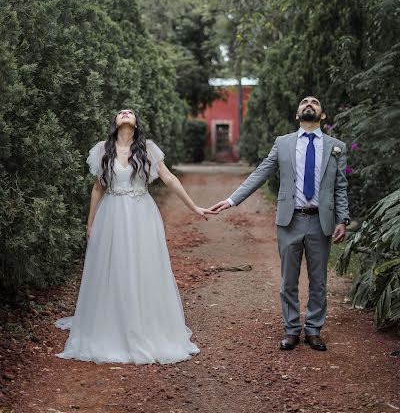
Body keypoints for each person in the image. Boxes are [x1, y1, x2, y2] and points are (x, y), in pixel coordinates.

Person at [55, 109, 214, 364]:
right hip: (112, 214)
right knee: (114, 267)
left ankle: (145, 323)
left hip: (142, 215)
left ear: (136, 122)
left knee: (144, 266)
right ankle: (114, 324)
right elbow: (98, 188)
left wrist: (194, 207)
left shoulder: (148, 149)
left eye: (130, 113)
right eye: (120, 112)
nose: (125, 114)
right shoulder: (103, 149)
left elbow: (170, 179)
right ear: (115, 122)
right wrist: (90, 222)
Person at [210, 96, 350, 352]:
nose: (309, 104)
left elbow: (340, 186)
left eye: (315, 102)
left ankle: (314, 330)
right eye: (304, 102)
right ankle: (291, 330)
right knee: (288, 279)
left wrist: (343, 218)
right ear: (297, 115)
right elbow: (261, 173)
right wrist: (232, 200)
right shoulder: (283, 144)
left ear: (323, 115)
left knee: (318, 280)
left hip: (321, 221)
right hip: (290, 220)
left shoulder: (336, 147)